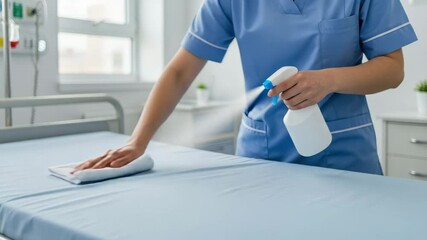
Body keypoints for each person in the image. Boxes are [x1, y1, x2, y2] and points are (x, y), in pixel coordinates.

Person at [75, 0, 417, 175]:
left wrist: (328, 80)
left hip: (343, 155)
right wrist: (138, 141)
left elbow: (392, 69)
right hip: (263, 155)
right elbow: (181, 71)